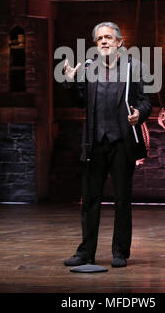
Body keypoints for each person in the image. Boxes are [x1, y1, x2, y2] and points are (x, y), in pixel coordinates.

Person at [63, 21, 152, 268]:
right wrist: (70, 81)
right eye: (99, 38)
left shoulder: (132, 68)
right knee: (90, 200)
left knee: (122, 200)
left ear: (119, 43)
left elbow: (146, 102)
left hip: (121, 144)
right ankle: (85, 253)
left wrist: (139, 114)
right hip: (95, 144)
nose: (103, 41)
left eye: (108, 38)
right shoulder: (89, 69)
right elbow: (79, 101)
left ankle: (120, 252)